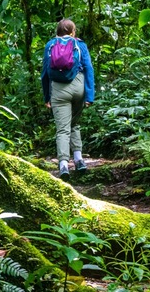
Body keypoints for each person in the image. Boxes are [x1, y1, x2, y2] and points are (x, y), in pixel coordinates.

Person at [41, 19, 95, 180]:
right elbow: (88, 69)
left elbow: (44, 73)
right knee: (75, 124)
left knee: (62, 129)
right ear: (73, 32)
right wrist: (89, 95)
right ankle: (79, 160)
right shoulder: (80, 45)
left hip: (58, 89)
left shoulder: (50, 45)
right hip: (78, 86)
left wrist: (46, 96)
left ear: (57, 31)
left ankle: (64, 164)